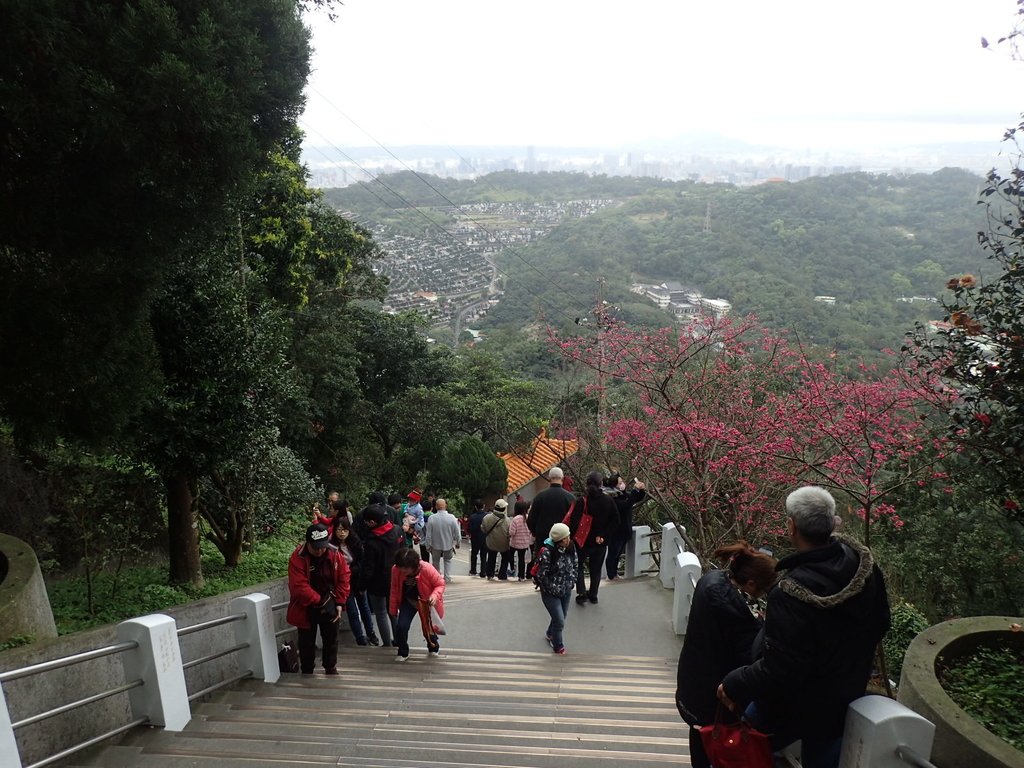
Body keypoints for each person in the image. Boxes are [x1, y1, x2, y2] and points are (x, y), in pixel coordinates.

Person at [718, 486, 892, 768]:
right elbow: (881, 622)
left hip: (791, 707)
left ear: (792, 526)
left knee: (735, 757)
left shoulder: (790, 593)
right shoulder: (864, 568)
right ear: (832, 521)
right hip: (843, 701)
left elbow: (780, 669)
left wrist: (735, 682)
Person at [675, 542, 778, 768]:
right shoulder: (733, 607)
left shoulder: (712, 579)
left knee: (699, 734)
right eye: (761, 590)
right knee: (712, 744)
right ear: (750, 583)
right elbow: (750, 654)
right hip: (712, 695)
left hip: (692, 682)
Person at [286, 523, 351, 675]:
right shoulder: (298, 557)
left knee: (331, 638)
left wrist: (339, 602)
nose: (320, 551)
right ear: (308, 543)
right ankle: (307, 670)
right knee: (306, 641)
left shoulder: (335, 554)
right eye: (316, 548)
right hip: (306, 606)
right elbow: (298, 586)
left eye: (323, 547)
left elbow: (344, 577)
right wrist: (319, 601)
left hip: (331, 602)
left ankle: (330, 667)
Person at [564, 470, 618, 606]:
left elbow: (574, 522)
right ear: (600, 484)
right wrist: (603, 536)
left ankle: (582, 593)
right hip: (600, 542)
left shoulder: (582, 501)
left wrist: (573, 538)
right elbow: (616, 521)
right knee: (596, 568)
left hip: (583, 542)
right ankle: (593, 595)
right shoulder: (608, 500)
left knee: (579, 566)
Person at [389, 547, 446, 661]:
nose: (402, 570)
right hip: (408, 601)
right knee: (401, 626)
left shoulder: (426, 569)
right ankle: (403, 651)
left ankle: (433, 647)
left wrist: (434, 596)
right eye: (400, 567)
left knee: (428, 628)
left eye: (406, 568)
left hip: (425, 601)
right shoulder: (396, 570)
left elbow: (440, 584)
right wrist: (393, 608)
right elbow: (394, 588)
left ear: (413, 565)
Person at [331, 517, 381, 646]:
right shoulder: (331, 546)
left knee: (364, 607)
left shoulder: (355, 542)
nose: (342, 533)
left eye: (345, 530)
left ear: (349, 531)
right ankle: (360, 638)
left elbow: (362, 561)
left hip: (357, 579)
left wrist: (351, 570)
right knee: (352, 611)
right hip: (343, 583)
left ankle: (371, 634)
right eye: (339, 530)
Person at [361, 505, 405, 648]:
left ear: (372, 522)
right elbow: (405, 552)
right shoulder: (397, 530)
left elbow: (368, 567)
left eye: (367, 522)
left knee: (380, 613)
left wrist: (362, 585)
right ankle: (399, 641)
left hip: (377, 583)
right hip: (396, 579)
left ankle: (387, 644)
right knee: (393, 612)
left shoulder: (371, 541)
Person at [533, 522, 578, 655]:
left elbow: (575, 563)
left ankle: (550, 633)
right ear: (559, 540)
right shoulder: (547, 552)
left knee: (561, 616)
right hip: (550, 593)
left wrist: (572, 580)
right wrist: (553, 589)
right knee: (559, 620)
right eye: (566, 537)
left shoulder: (570, 547)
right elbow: (542, 575)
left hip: (566, 588)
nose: (569, 539)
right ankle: (558, 647)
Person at [604, 474, 646, 580]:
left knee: (618, 553)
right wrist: (634, 490)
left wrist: (641, 491)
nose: (622, 484)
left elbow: (634, 499)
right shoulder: (612, 497)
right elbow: (626, 504)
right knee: (613, 552)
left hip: (624, 529)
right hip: (616, 530)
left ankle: (615, 573)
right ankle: (611, 575)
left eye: (622, 482)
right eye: (619, 483)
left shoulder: (623, 495)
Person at [527, 467, 575, 553]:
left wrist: (535, 532)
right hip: (563, 539)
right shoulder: (570, 498)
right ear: (562, 479)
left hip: (543, 538)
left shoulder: (540, 497)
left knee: (543, 563)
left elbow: (531, 519)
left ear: (549, 478)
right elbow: (575, 520)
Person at [424, 497, 461, 583]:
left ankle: (437, 579)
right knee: (447, 560)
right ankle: (447, 578)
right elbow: (457, 532)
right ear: (446, 506)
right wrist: (458, 542)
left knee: (435, 561)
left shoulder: (432, 518)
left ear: (436, 507)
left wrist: (427, 545)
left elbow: (428, 535)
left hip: (435, 545)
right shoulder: (452, 518)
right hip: (448, 544)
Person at [482, 498, 512, 580]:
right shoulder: (508, 521)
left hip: (491, 543)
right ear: (504, 509)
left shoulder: (487, 518)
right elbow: (509, 533)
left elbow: (483, 529)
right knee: (505, 558)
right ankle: (502, 574)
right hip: (504, 544)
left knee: (491, 557)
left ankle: (489, 574)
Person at [507, 499, 535, 581]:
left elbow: (512, 532)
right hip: (525, 543)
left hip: (514, 543)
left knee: (511, 556)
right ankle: (521, 576)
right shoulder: (528, 518)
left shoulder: (515, 519)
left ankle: (512, 569)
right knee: (521, 560)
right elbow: (531, 530)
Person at [468, 499, 488, 577]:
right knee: (484, 555)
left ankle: (473, 570)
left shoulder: (472, 517)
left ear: (475, 507)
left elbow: (470, 528)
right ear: (483, 506)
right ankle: (483, 571)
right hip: (485, 538)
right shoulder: (487, 515)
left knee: (474, 554)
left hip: (475, 538)